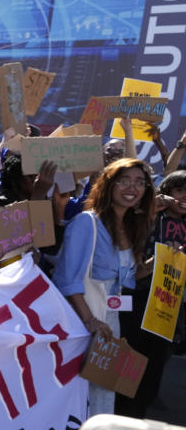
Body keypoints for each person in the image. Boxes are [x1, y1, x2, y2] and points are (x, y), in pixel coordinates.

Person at [52, 158, 155, 416]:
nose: (132, 188)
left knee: (102, 394)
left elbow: (126, 279)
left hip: (110, 324)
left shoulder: (131, 227)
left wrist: (160, 262)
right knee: (77, 397)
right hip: (82, 323)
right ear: (109, 185)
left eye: (140, 183)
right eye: (124, 181)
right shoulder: (86, 223)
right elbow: (68, 279)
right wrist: (90, 322)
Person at [114, 170, 186, 418]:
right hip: (139, 300)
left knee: (155, 364)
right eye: (179, 190)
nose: (184, 196)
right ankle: (119, 414)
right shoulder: (149, 218)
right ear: (166, 193)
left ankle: (139, 415)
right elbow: (132, 270)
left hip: (170, 304)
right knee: (131, 360)